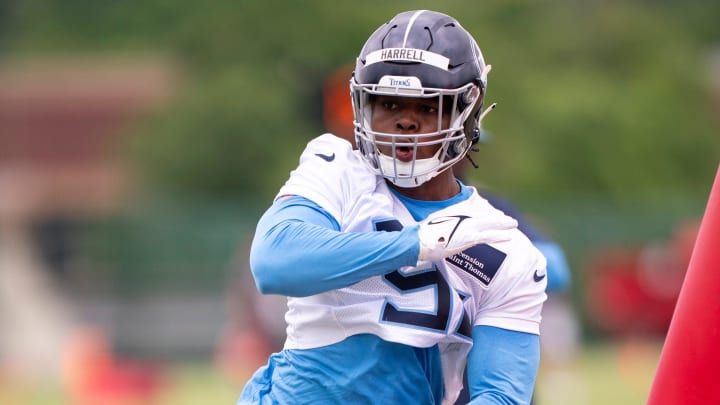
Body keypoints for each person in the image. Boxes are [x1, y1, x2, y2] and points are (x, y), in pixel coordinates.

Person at [238, 9, 547, 405]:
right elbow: (275, 263)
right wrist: (417, 243)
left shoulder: (503, 246)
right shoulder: (337, 170)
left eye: (426, 107)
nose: (405, 122)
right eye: (389, 104)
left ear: (467, 113)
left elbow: (501, 395)